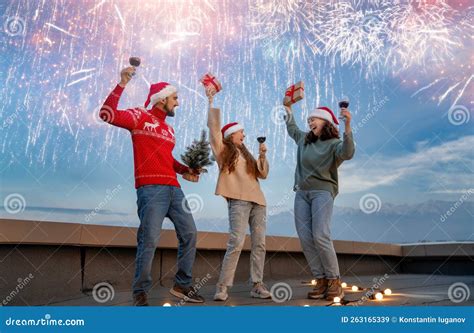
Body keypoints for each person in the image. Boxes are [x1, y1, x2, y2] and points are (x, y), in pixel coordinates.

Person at [100, 66, 204, 305]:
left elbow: (167, 159)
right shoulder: (139, 116)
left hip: (174, 189)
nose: (177, 103)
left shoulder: (169, 130)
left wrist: (186, 170)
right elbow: (106, 114)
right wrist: (122, 83)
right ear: (162, 99)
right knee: (150, 239)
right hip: (150, 189)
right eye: (175, 98)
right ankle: (140, 291)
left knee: (190, 233)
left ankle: (182, 285)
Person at [206, 88, 271, 301]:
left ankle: (257, 285)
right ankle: (223, 287)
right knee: (236, 243)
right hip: (239, 202)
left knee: (259, 244)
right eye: (240, 132)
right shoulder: (223, 152)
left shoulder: (248, 155)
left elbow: (263, 174)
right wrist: (211, 100)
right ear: (230, 135)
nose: (244, 135)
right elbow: (214, 129)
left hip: (258, 202)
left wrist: (261, 155)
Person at [284, 104, 355, 301]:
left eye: (314, 119)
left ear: (326, 122)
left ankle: (334, 280)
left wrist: (348, 125)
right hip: (302, 193)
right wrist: (288, 108)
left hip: (323, 192)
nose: (310, 122)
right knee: (305, 237)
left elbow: (348, 153)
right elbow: (292, 129)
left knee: (320, 235)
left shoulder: (334, 144)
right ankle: (320, 279)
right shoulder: (304, 140)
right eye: (309, 120)